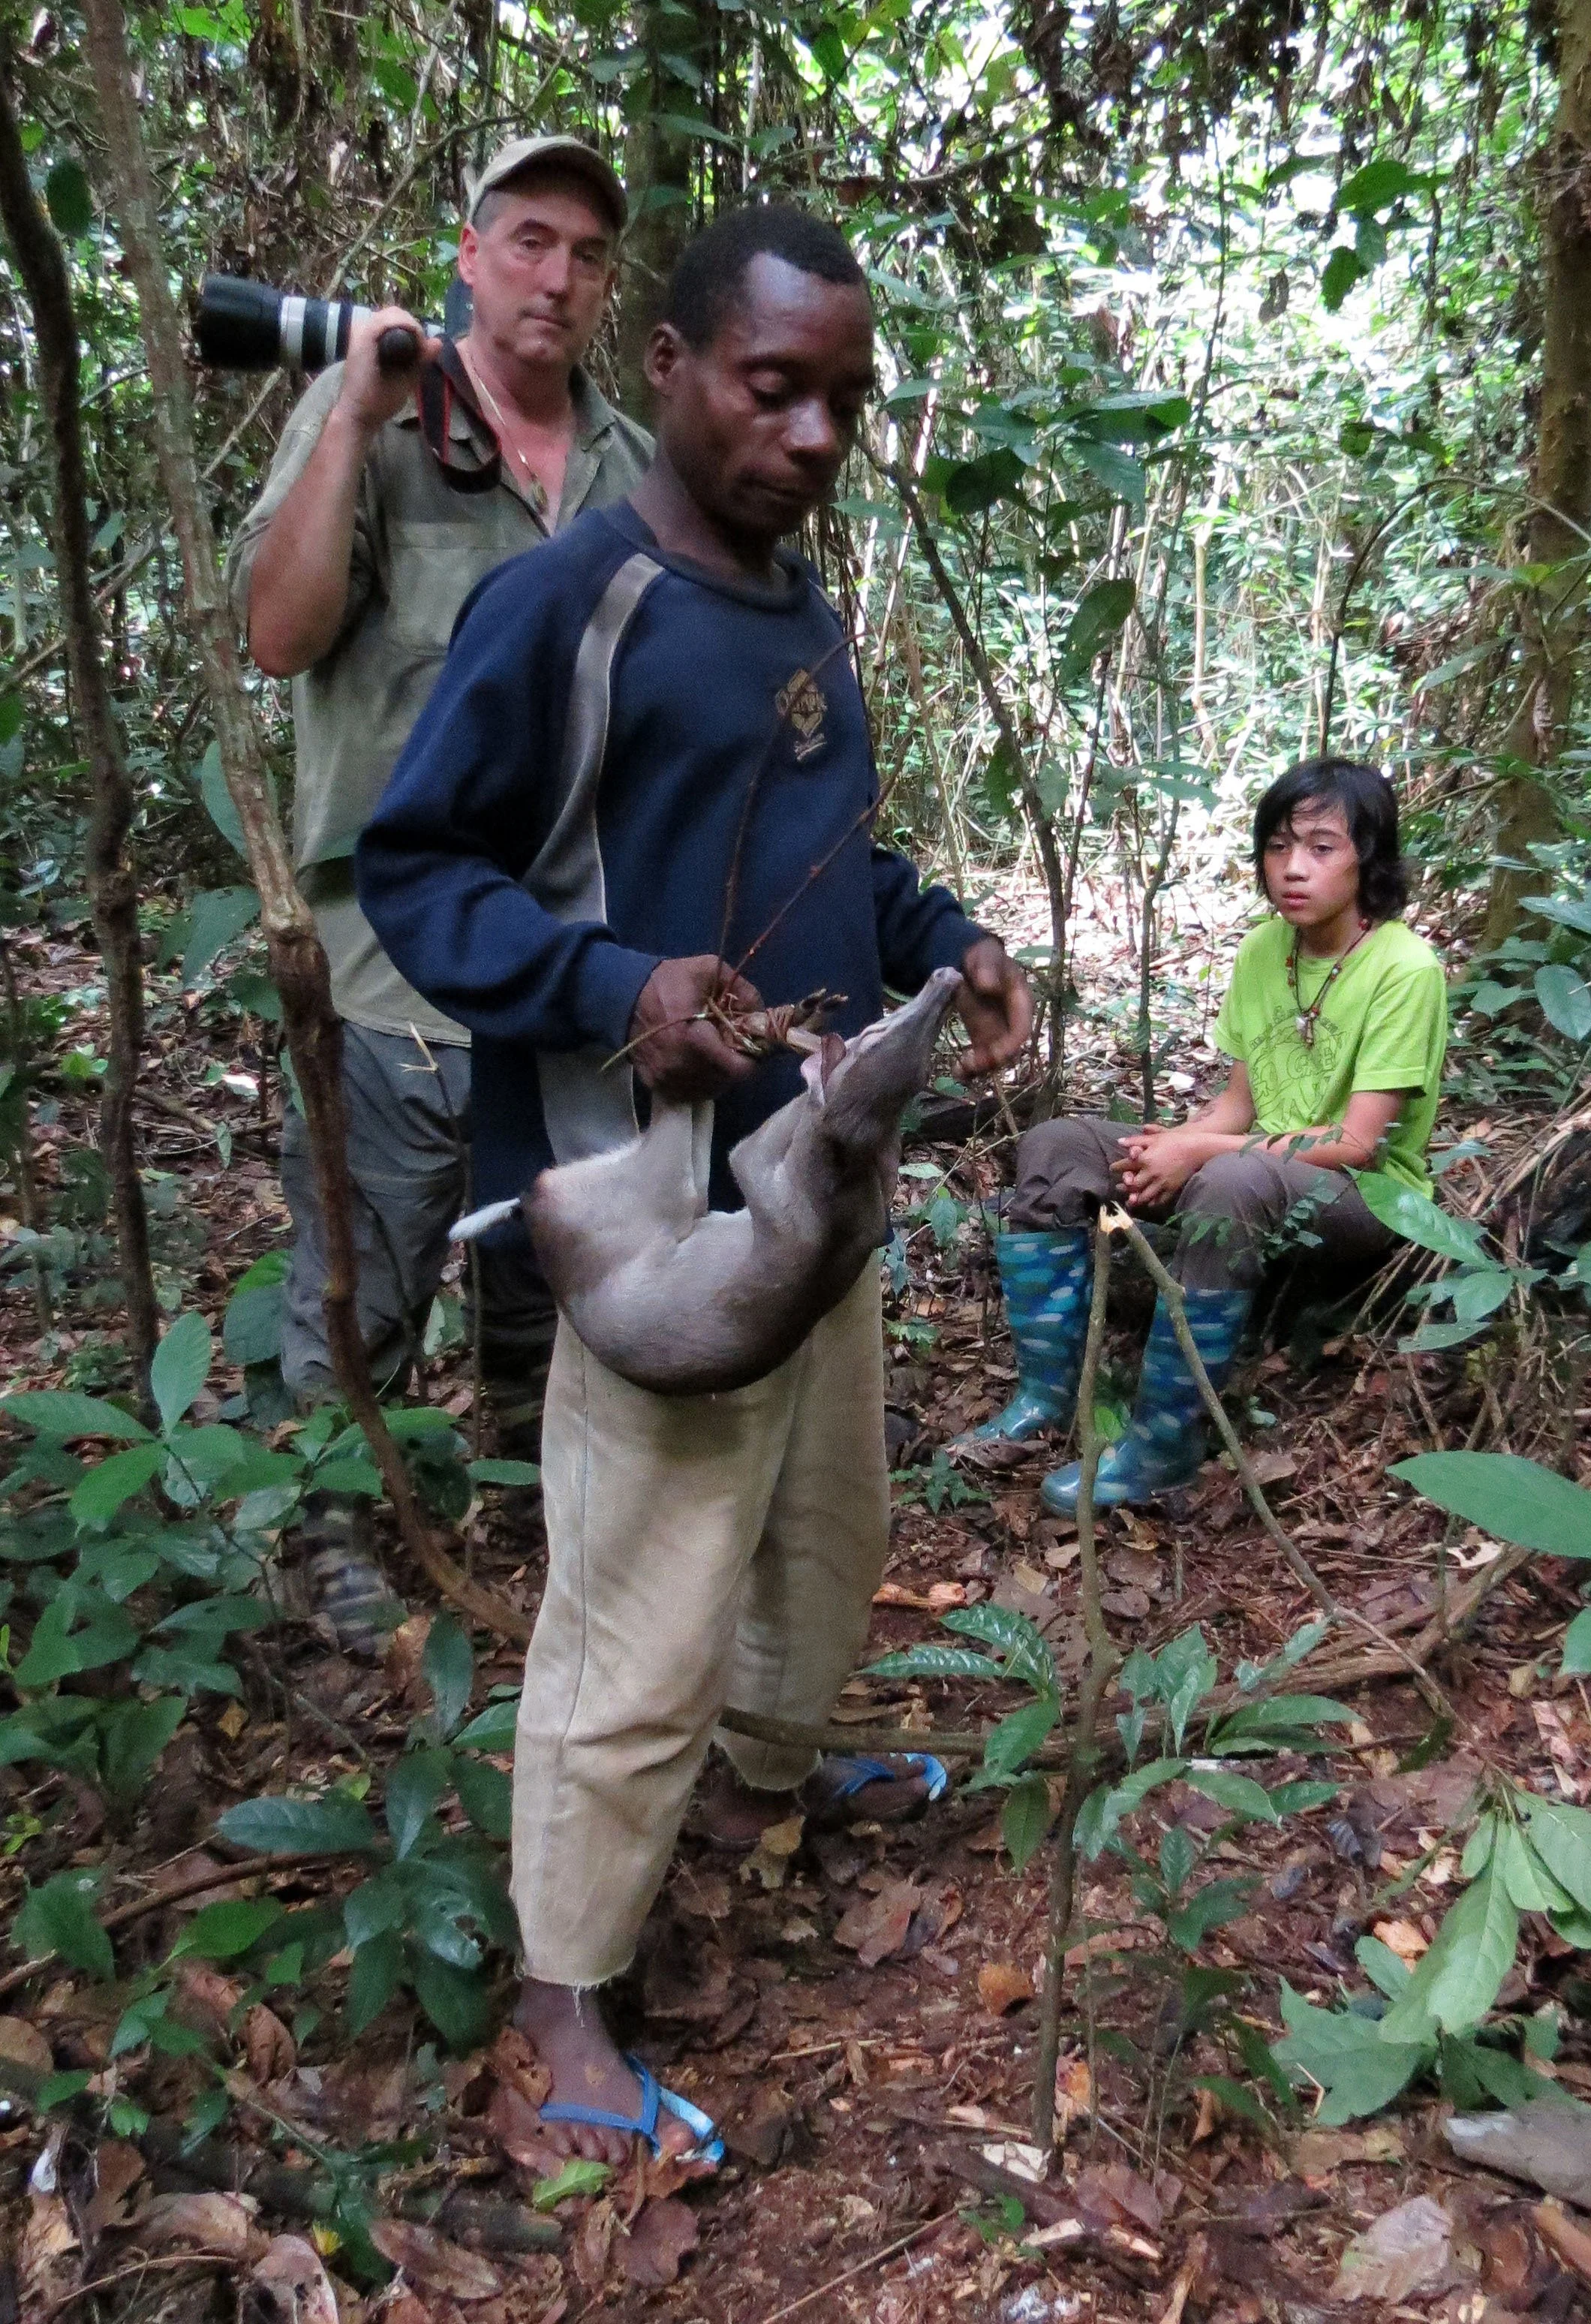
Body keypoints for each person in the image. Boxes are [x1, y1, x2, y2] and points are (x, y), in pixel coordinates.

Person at [357, 204, 1033, 2160]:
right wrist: (612, 990)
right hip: (645, 1207)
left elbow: (844, 863)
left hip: (815, 1173)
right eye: (772, 387)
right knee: (640, 1604)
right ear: (665, 368)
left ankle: (765, 1787)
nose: (812, 435)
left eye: (844, 400)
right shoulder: (572, 601)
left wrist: (953, 940)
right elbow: (418, 869)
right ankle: (563, 2003)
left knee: (825, 1529)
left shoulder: (803, 612)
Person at [225, 137, 651, 1638]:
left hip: (568, 945)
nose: (556, 277)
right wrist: (354, 413)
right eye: (528, 240)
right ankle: (331, 1529)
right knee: (377, 1250)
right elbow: (279, 637)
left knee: (549, 1239)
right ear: (469, 256)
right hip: (390, 943)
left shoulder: (629, 465)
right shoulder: (378, 415)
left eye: (586, 254)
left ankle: (526, 1504)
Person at [976, 756, 1446, 1513]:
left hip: (1365, 1197)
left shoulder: (1405, 967)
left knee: (1229, 1178)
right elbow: (1235, 1106)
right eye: (1277, 846)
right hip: (1260, 1167)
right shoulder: (1265, 949)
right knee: (1059, 1145)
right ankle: (1047, 1397)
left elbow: (1357, 1144)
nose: (1292, 868)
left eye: (1321, 847)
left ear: (1368, 857)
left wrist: (1196, 1153)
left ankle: (1160, 1450)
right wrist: (1168, 1148)